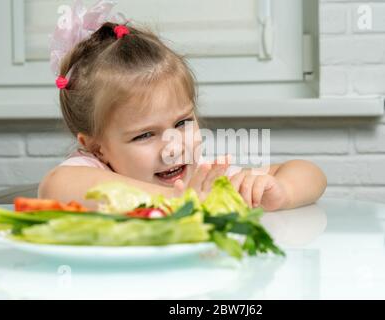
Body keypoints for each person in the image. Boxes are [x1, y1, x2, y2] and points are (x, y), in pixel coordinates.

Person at [39, 1, 327, 212]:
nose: (173, 147)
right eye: (144, 135)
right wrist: (180, 201)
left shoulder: (201, 177)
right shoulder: (93, 168)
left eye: (182, 123)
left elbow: (309, 172)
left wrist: (283, 191)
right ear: (97, 147)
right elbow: (56, 187)